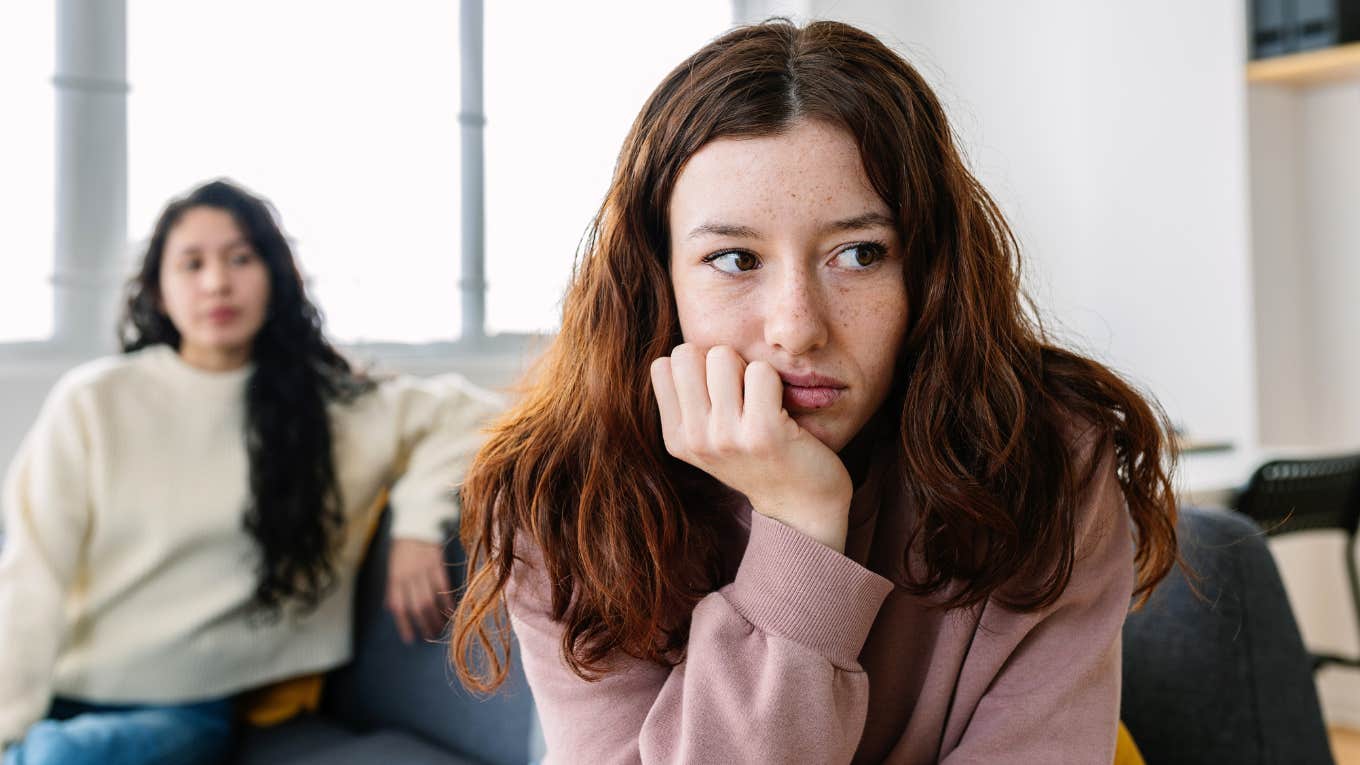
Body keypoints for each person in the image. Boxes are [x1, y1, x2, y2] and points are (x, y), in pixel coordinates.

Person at [451, 18, 1179, 764]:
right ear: (657, 283)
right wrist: (799, 526)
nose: (796, 327)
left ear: (927, 273)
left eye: (859, 254)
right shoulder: (561, 497)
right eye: (735, 259)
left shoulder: (1053, 459)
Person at [0, 179, 500, 764]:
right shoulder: (93, 402)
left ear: (275, 278)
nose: (217, 281)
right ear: (159, 291)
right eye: (191, 263)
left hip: (188, 706)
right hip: (62, 686)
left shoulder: (331, 408)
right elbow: (31, 576)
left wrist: (418, 522)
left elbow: (476, 415)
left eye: (241, 258)